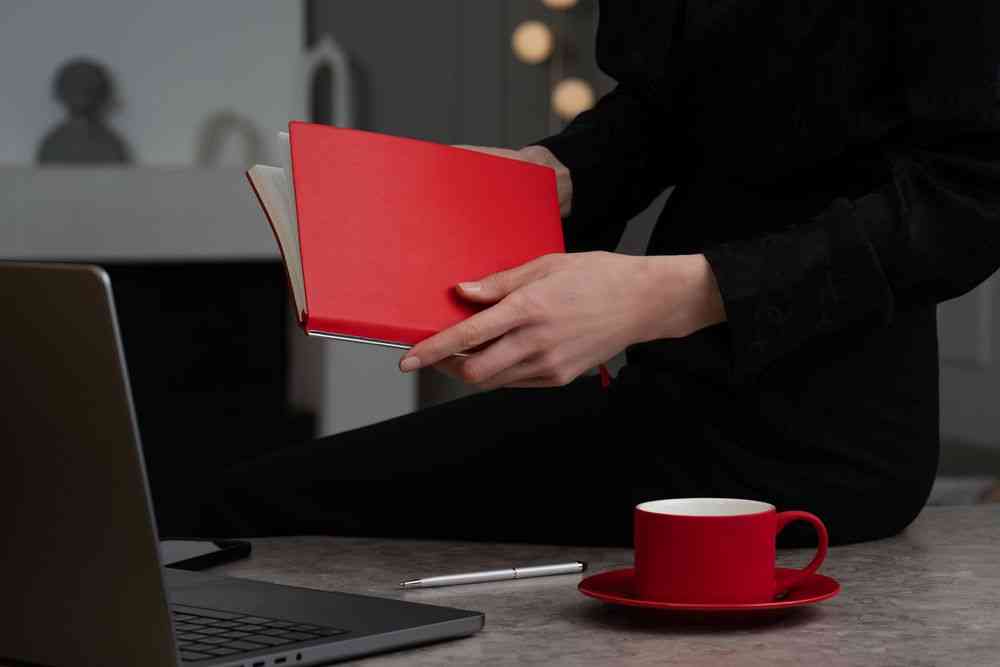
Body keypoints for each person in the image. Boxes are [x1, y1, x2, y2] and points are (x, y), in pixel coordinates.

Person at [197, 2, 1000, 547]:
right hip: (670, 397)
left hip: (821, 443)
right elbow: (672, 108)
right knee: (243, 502)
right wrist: (553, 175)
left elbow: (973, 195)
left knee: (247, 507)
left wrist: (669, 294)